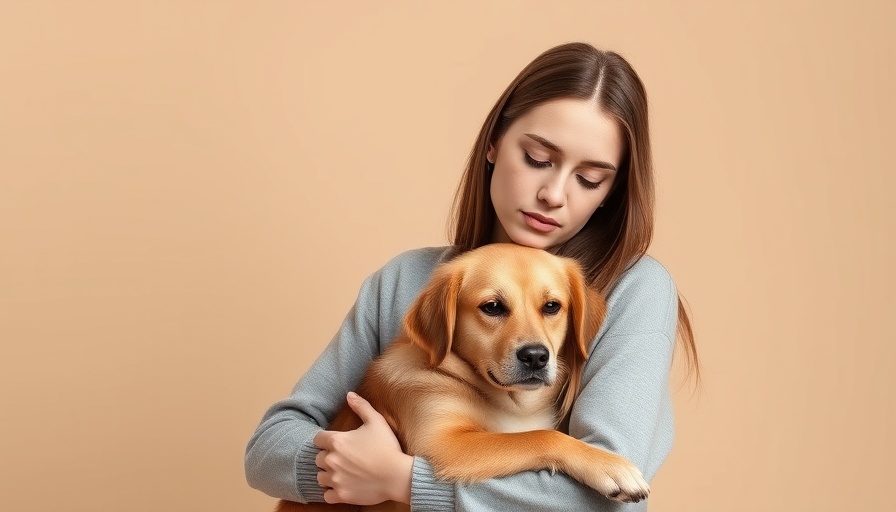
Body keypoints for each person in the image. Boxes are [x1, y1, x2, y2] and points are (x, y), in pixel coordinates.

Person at [245, 41, 700, 511]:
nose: (554, 194)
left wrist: (403, 481)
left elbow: (610, 498)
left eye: (590, 178)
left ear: (611, 191)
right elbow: (266, 450)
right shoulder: (408, 279)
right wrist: (337, 470)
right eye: (538, 158)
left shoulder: (633, 290)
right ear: (493, 144)